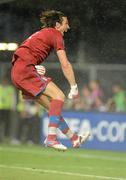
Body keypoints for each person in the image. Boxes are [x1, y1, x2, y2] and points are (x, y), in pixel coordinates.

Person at [11, 10, 90, 151]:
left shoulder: (42, 33)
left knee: (52, 108)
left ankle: (74, 138)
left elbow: (22, 51)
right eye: (66, 23)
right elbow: (65, 64)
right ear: (58, 24)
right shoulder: (55, 34)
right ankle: (51, 138)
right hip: (25, 70)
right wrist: (74, 86)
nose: (68, 27)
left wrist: (34, 66)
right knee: (59, 96)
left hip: (19, 72)